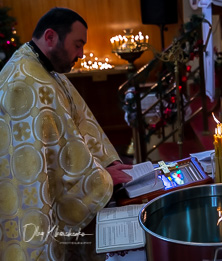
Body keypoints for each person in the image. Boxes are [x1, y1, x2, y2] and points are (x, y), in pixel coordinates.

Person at [0, 7, 133, 260]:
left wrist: (107, 164)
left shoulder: (42, 67)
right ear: (50, 37)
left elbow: (80, 123)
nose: (81, 54)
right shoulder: (26, 82)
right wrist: (99, 180)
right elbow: (44, 163)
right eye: (77, 44)